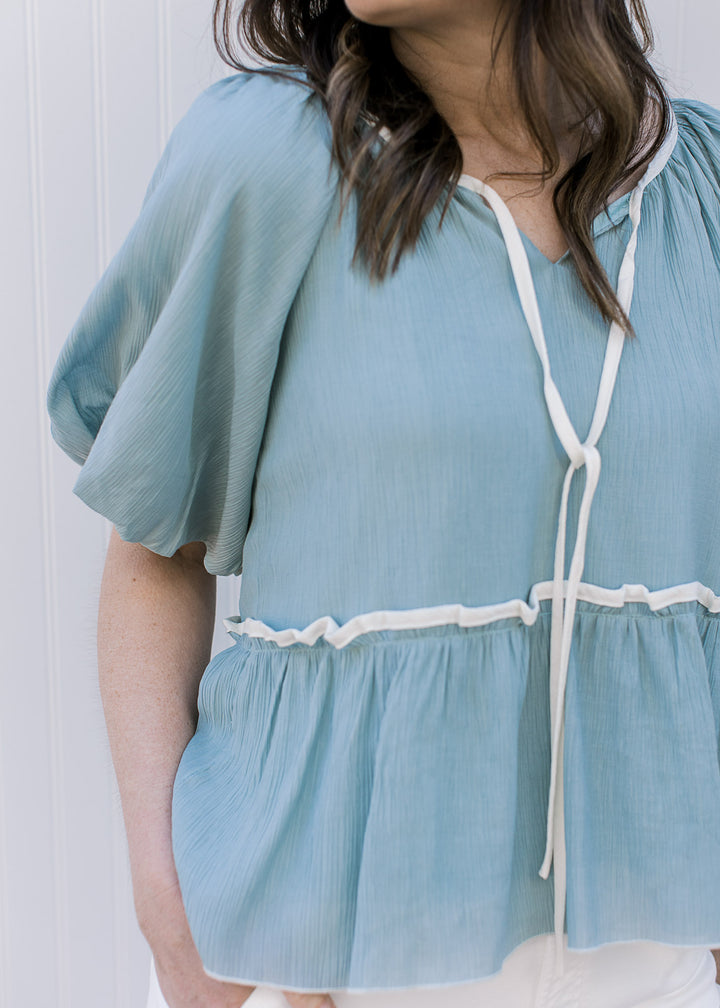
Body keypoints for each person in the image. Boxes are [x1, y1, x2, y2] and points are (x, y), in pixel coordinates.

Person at [46, 0, 720, 1005]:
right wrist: (168, 906)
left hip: (654, 957)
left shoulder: (698, 188)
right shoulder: (269, 160)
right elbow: (157, 547)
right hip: (316, 963)